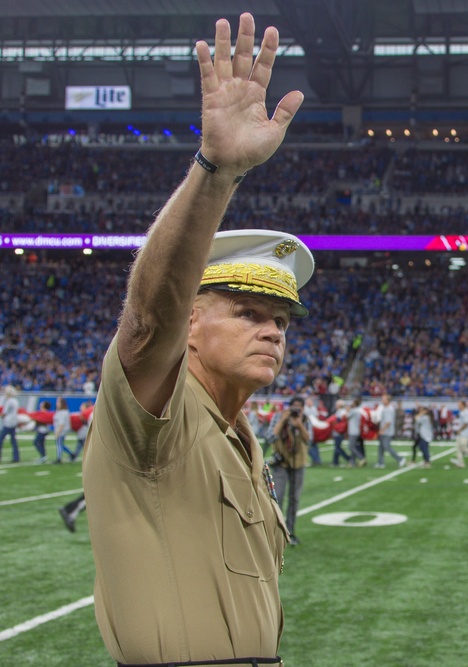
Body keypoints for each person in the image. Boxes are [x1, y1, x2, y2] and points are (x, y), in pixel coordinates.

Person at [81, 13, 308, 666]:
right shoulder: (160, 413)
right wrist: (217, 171)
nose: (272, 329)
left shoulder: (239, 433)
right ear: (191, 325)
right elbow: (148, 318)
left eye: (281, 320)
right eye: (246, 312)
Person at [270, 396, 311, 546]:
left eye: (298, 408)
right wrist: (283, 420)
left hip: (298, 463)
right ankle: (276, 532)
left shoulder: (305, 420)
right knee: (278, 497)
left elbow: (309, 439)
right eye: (293, 407)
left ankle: (291, 532)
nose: (295, 410)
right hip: (281, 463)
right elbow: (270, 437)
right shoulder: (277, 417)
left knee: (294, 499)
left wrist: (299, 425)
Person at [376, 393, 407, 468]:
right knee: (381, 447)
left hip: (387, 431)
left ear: (387, 400)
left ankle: (400, 459)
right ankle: (380, 463)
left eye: (383, 399)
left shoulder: (389, 409)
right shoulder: (385, 408)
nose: (382, 400)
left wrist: (382, 430)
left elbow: (388, 422)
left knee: (387, 447)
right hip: (385, 430)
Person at [1, 385, 21, 463]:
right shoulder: (15, 400)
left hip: (8, 422)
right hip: (13, 422)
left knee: (1, 439)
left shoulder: (9, 401)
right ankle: (16, 457)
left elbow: (4, 413)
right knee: (13, 441)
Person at [347, 397, 367, 466]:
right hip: (356, 430)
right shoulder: (358, 410)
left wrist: (348, 409)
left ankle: (361, 458)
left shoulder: (354, 410)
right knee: (353, 447)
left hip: (353, 431)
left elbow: (347, 416)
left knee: (350, 447)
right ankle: (352, 462)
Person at [53, 397, 73, 463]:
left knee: (59, 444)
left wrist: (58, 432)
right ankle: (71, 454)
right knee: (61, 444)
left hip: (62, 430)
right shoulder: (63, 412)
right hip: (62, 430)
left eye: (58, 402)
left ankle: (59, 458)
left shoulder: (62, 412)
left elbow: (61, 424)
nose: (57, 404)